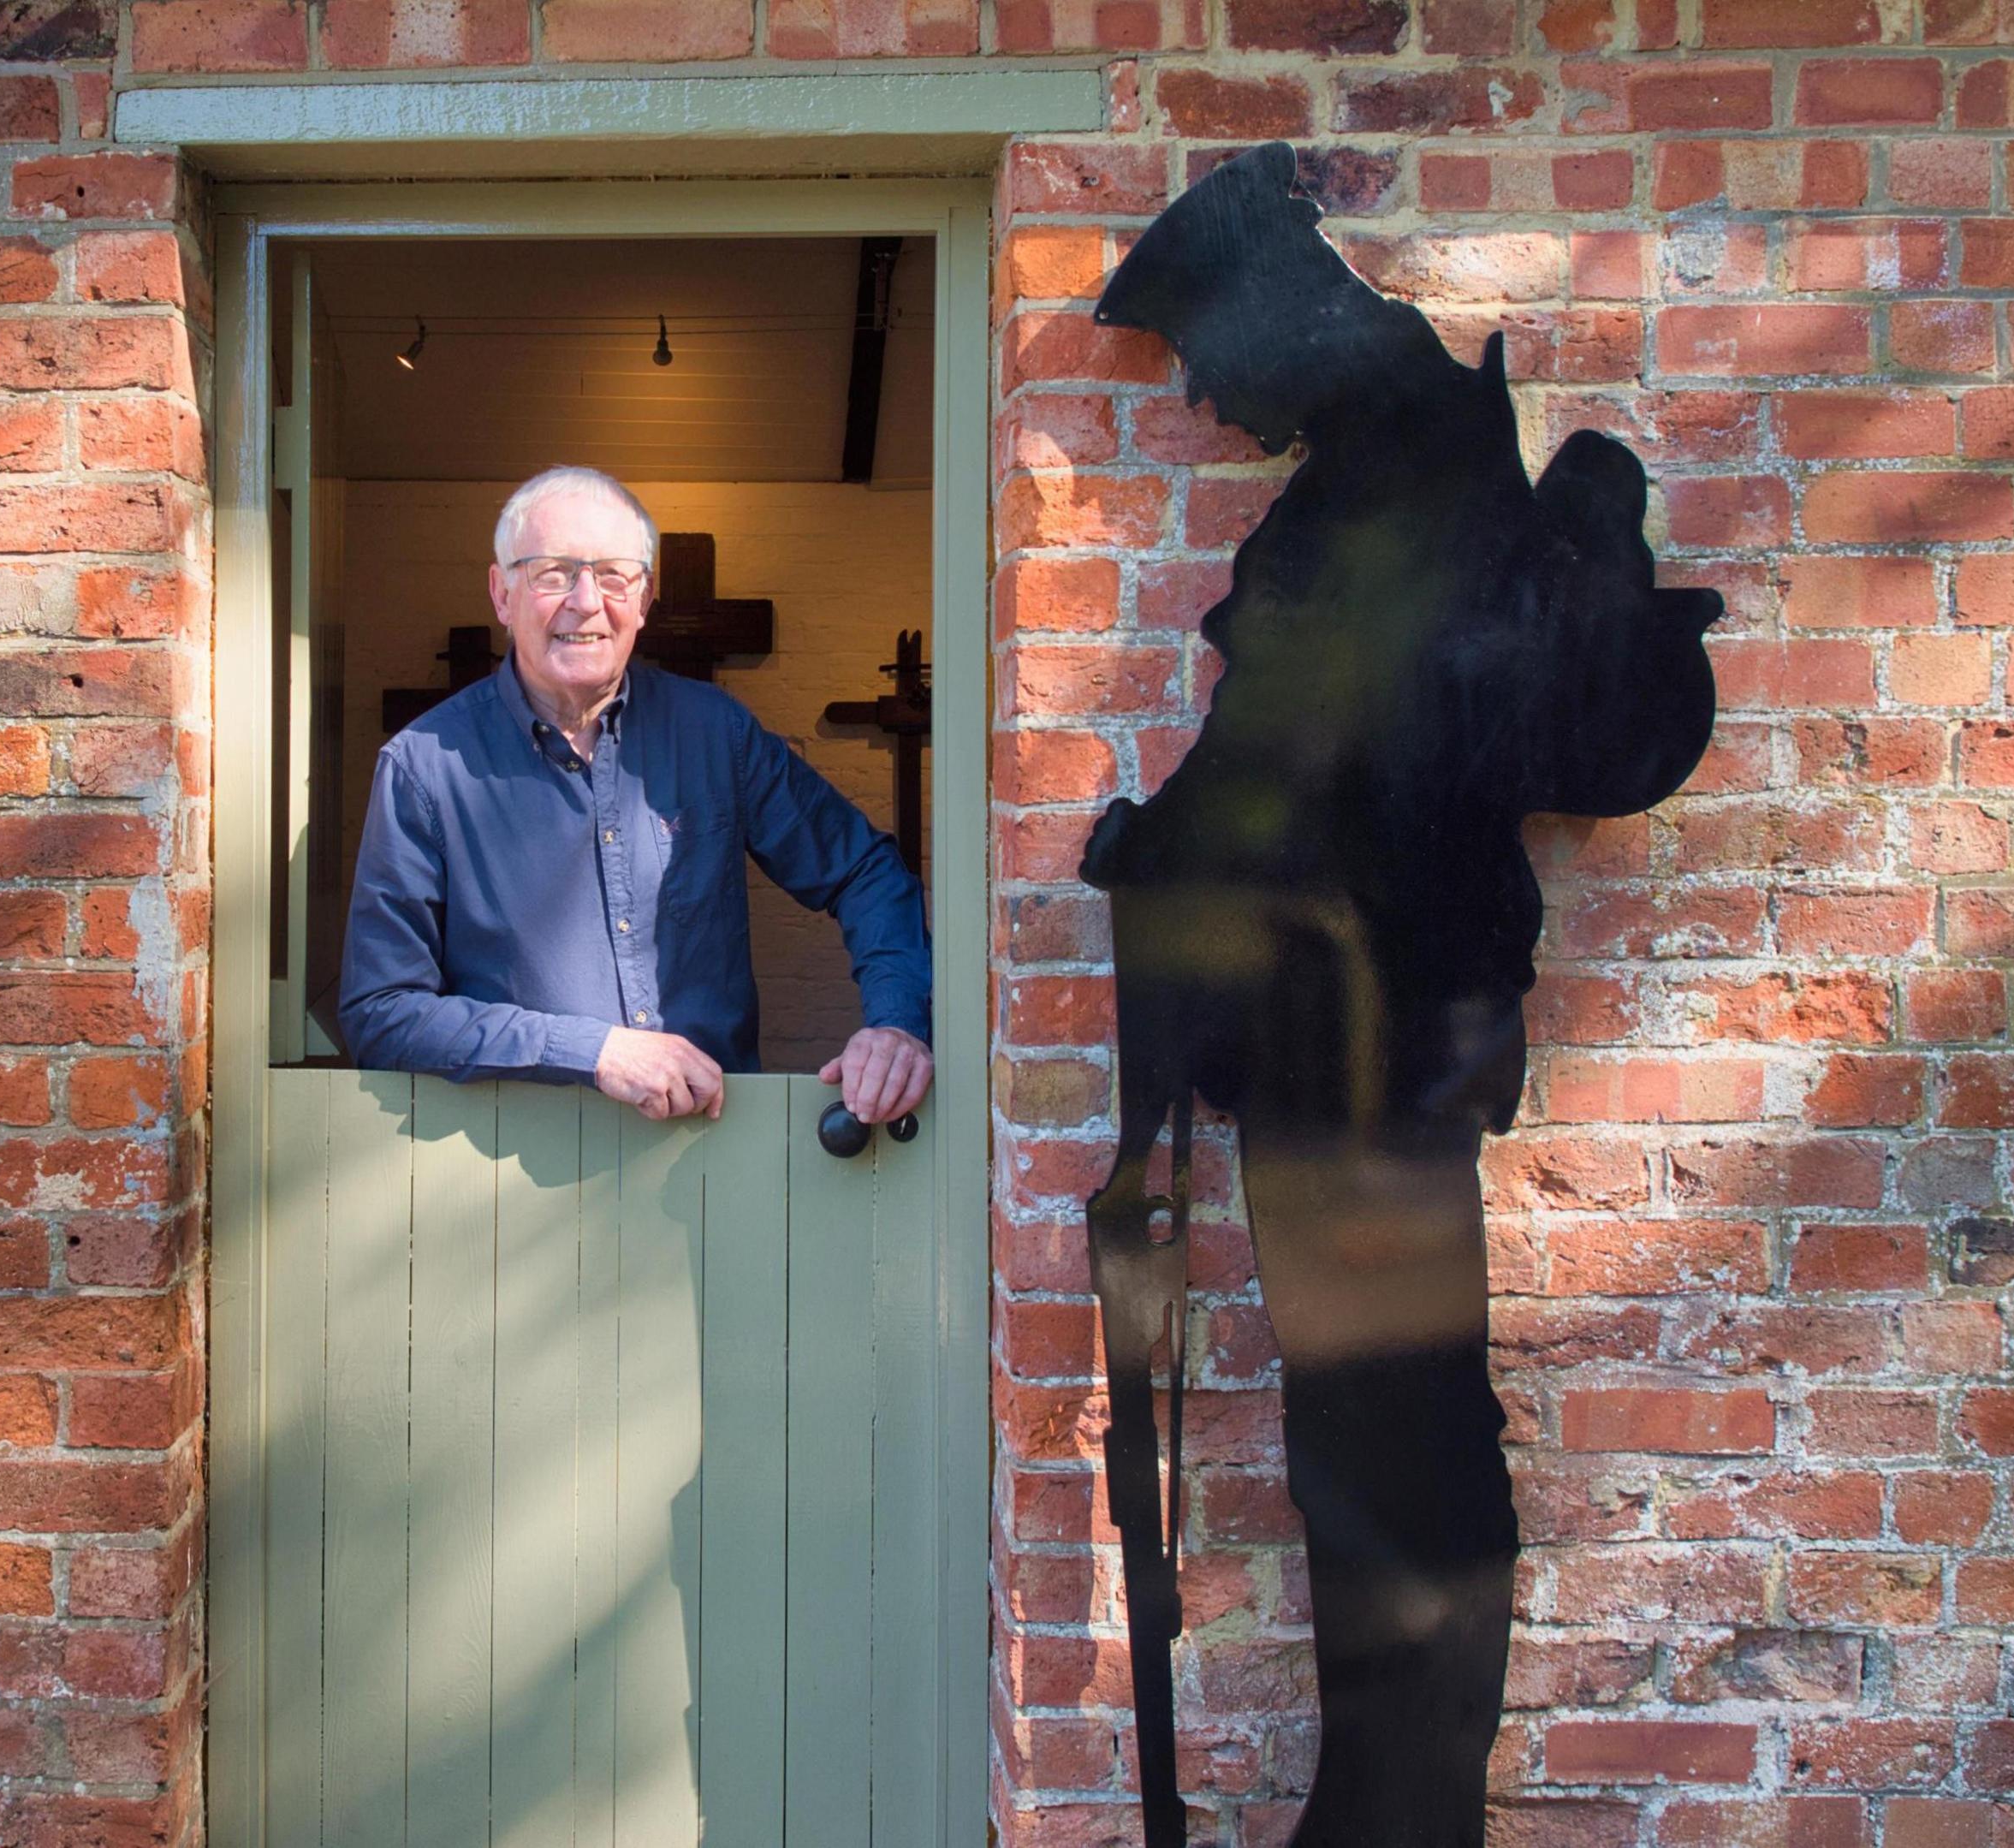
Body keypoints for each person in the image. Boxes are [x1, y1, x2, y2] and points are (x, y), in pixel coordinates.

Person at [1081, 144, 1720, 1848]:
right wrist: (1167, 850)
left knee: (1395, 1447)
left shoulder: (1413, 479)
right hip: (1336, 1039)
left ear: (1280, 316)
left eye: (1205, 350)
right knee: (1366, 1438)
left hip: (1372, 1040)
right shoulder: (1386, 469)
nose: (1204, 392)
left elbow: (1358, 758)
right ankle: (1383, 1799)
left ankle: (1405, 1812)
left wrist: (1184, 848)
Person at [338, 465, 934, 1126]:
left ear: (645, 599)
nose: (587, 600)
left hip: (716, 1168)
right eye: (553, 572)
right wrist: (593, 1051)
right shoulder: (423, 769)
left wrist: (897, 1024)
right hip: (517, 1177)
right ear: (501, 595)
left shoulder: (716, 734)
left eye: (615, 574)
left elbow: (864, 871)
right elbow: (381, 1010)